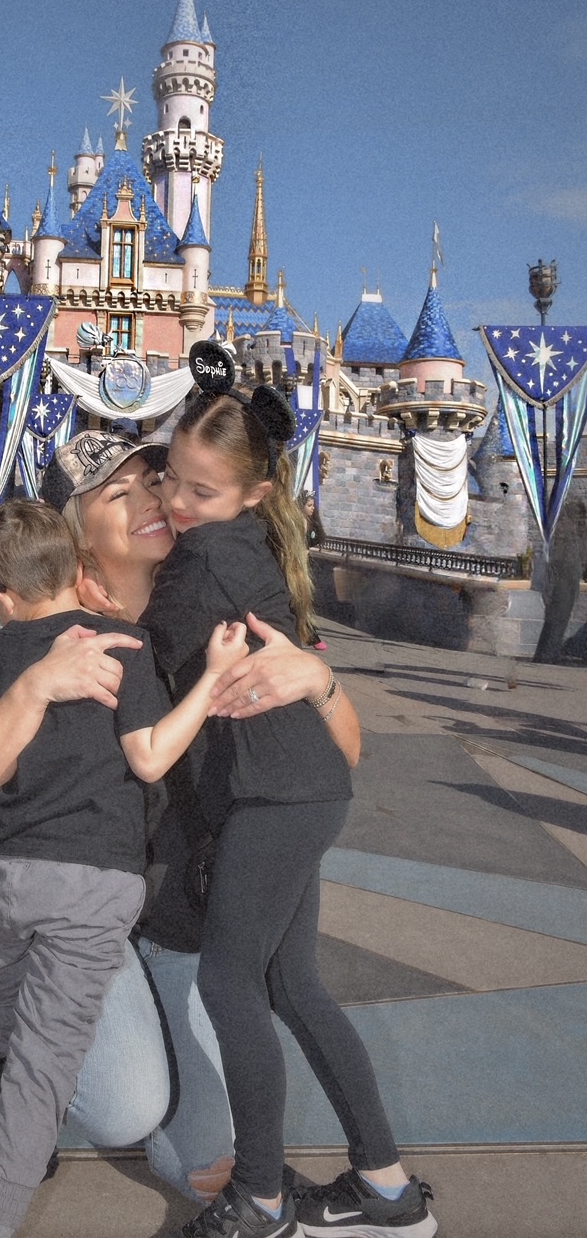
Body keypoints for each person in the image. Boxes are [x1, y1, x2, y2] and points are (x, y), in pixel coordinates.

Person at [0, 496, 247, 1238]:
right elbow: (151, 756)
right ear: (73, 568)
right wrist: (211, 682)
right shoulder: (124, 647)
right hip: (96, 887)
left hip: (11, 877)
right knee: (42, 1067)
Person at [142, 389, 436, 1238]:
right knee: (290, 984)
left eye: (200, 490)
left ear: (253, 494)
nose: (174, 501)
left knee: (231, 980)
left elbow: (148, 663)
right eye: (169, 478)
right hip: (296, 789)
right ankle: (385, 1190)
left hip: (276, 794)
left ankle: (262, 1199)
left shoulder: (205, 565)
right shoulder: (241, 549)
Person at [300, 493, 327, 650]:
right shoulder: (296, 522)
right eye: (309, 506)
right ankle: (310, 636)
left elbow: (320, 537)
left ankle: (310, 635)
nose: (312, 509)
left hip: (305, 565)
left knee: (305, 601)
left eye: (313, 506)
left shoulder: (310, 523)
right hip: (295, 566)